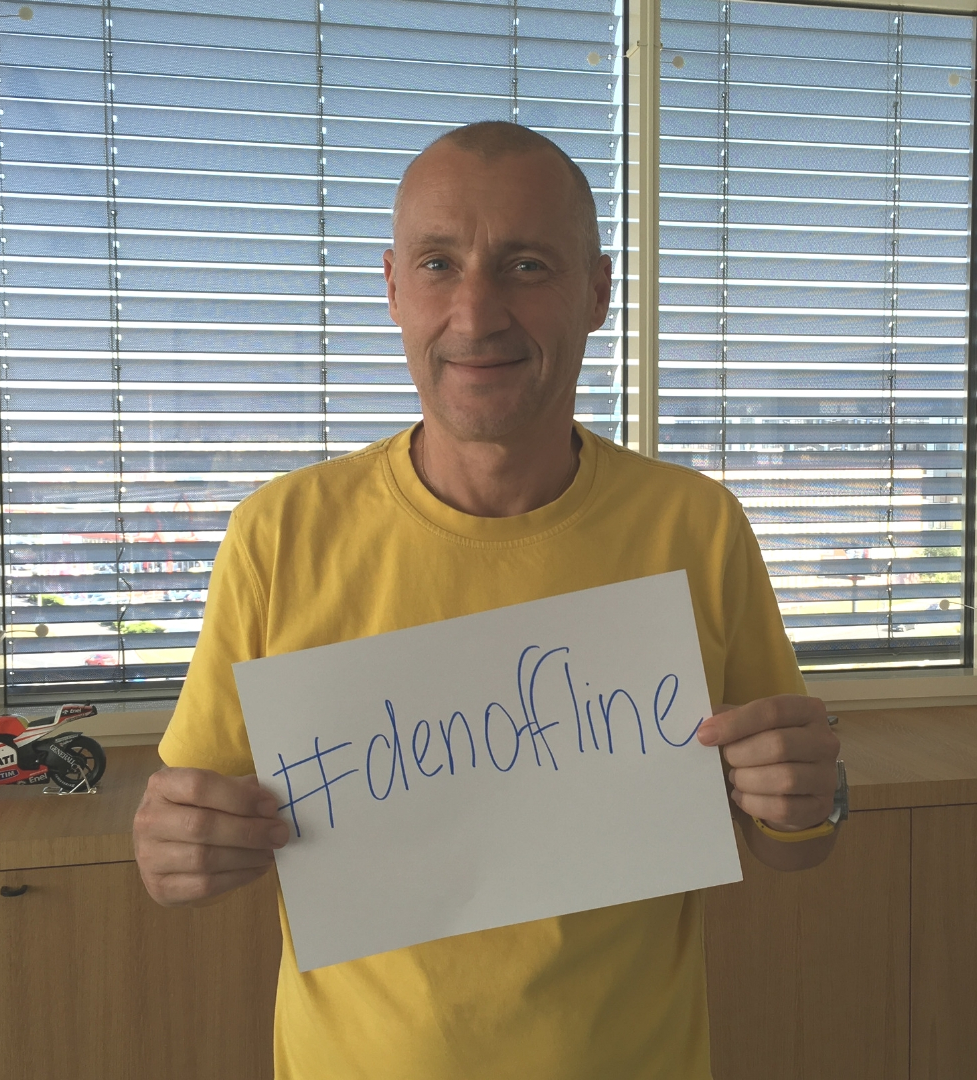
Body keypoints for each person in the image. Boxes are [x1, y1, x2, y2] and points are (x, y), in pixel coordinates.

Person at [133, 121, 841, 1079]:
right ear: (393, 288)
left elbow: (793, 839)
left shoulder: (697, 527)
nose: (475, 314)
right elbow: (183, 839)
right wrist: (171, 853)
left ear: (597, 292)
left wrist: (813, 799)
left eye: (526, 265)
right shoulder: (280, 536)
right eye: (439, 264)